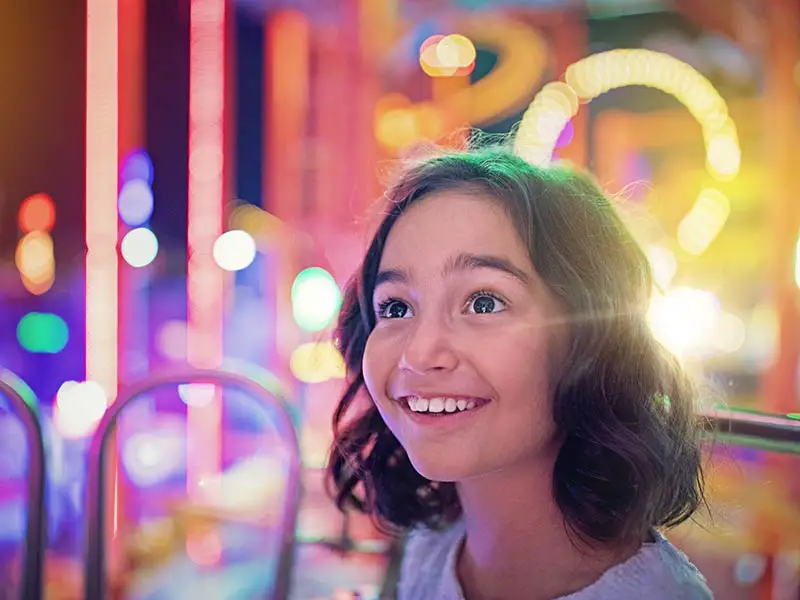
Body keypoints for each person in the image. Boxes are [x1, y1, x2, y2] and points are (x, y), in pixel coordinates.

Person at [326, 144, 713, 600]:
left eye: (484, 302)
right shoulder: (429, 550)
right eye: (395, 306)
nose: (420, 351)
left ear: (591, 334)